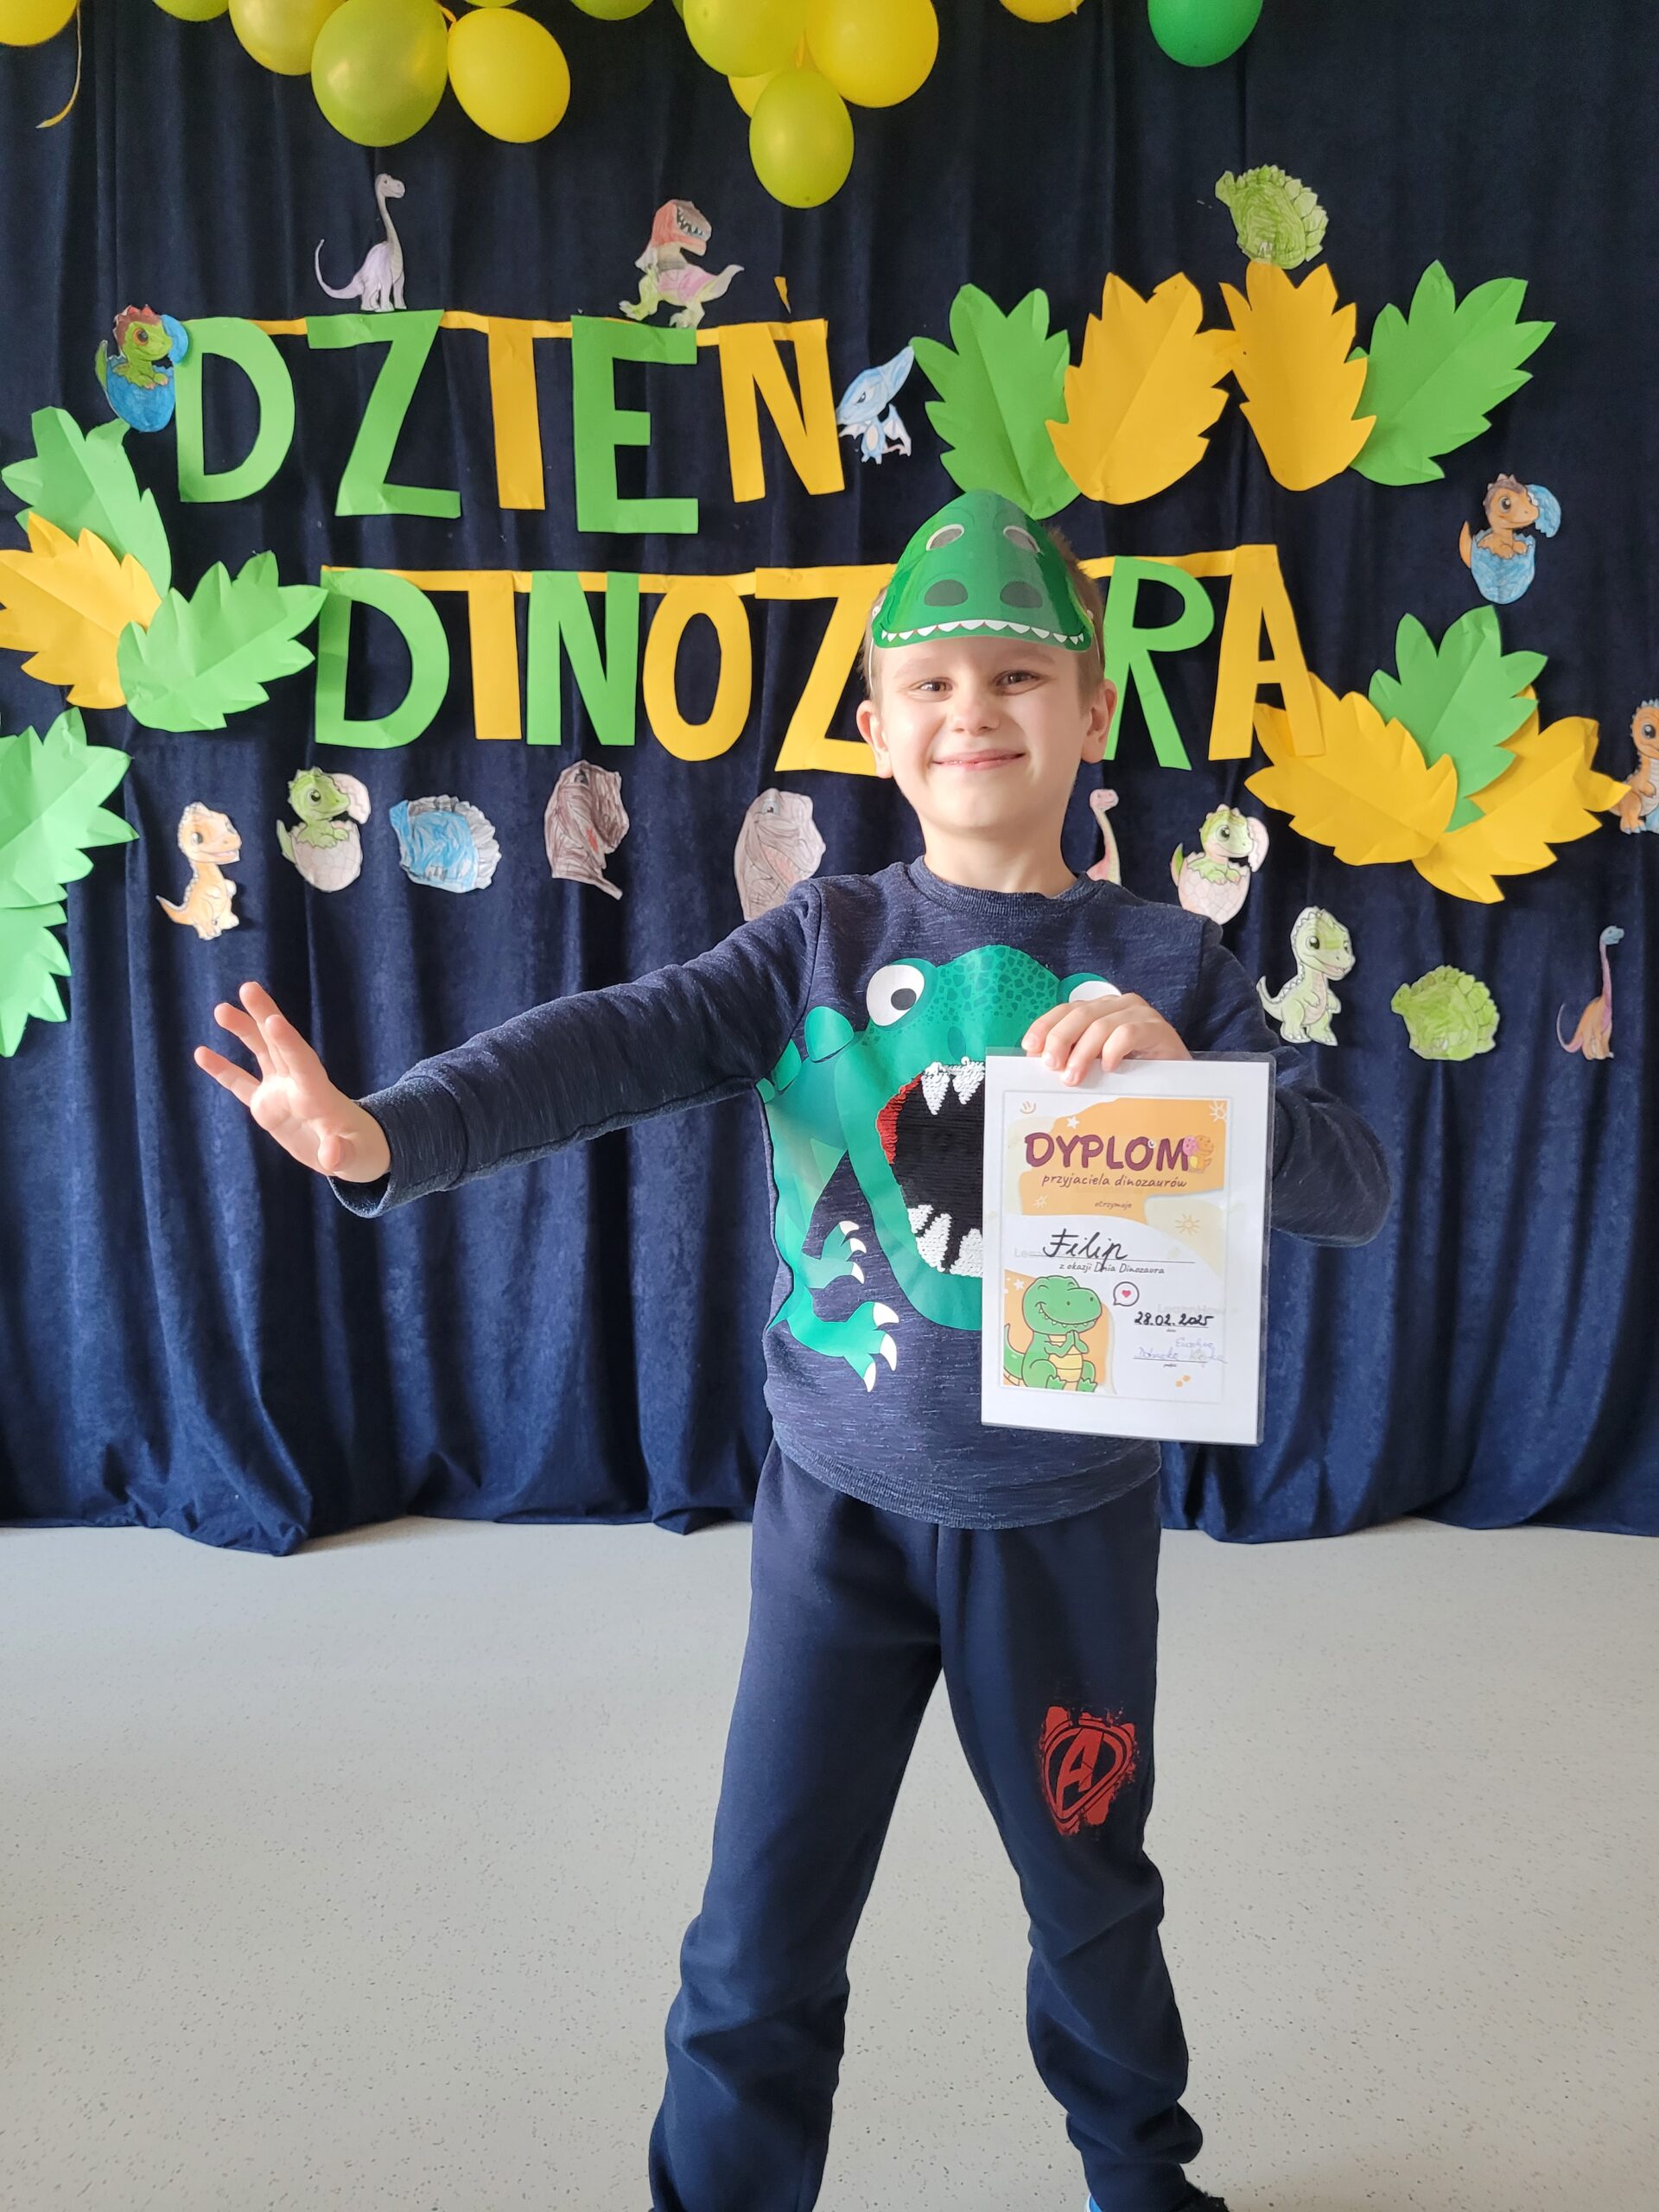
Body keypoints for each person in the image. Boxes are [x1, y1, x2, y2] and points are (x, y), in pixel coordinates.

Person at [195, 487, 1390, 2212]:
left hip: (1066, 1527)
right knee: (758, 1939)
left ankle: (1145, 2183)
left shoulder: (1170, 963)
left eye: (1017, 674)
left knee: (1095, 1908)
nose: (973, 710)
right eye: (931, 684)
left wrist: (1190, 1085)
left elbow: (1351, 1184)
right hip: (837, 1519)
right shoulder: (823, 943)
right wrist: (390, 1131)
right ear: (880, 731)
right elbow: (609, 1043)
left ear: (1091, 711)